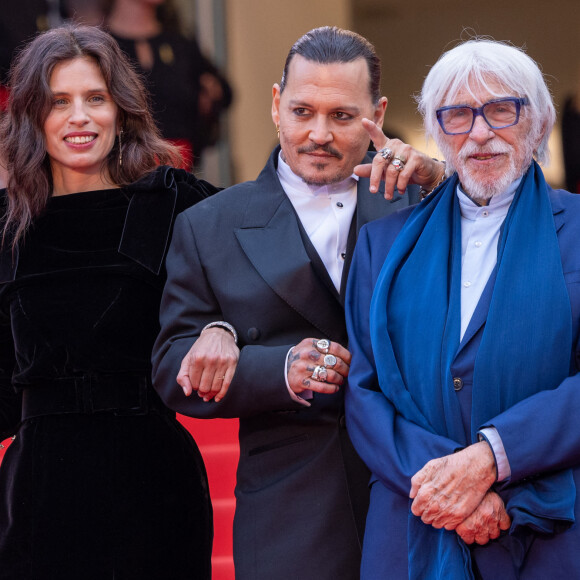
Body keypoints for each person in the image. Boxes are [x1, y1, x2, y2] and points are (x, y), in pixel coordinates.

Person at [152, 26, 444, 580]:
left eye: (342, 116)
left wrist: (444, 181)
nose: (318, 134)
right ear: (275, 105)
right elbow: (172, 368)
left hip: (419, 493)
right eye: (303, 111)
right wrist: (279, 368)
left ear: (377, 114)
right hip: (288, 509)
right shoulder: (208, 225)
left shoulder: (422, 202)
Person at [345, 38, 580, 579]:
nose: (480, 132)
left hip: (550, 526)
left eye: (501, 109)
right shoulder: (382, 244)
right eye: (457, 115)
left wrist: (492, 458)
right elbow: (364, 392)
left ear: (539, 123)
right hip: (413, 521)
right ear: (437, 132)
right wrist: (448, 487)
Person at [0, 25, 218, 580]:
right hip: (39, 497)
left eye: (95, 98)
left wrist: (225, 328)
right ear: (32, 116)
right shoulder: (7, 226)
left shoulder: (170, 202)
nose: (80, 117)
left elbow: (267, 257)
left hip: (153, 484)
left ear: (120, 110)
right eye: (58, 102)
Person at [106, 0, 233, 168]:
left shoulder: (180, 44)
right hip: (122, 170)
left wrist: (209, 96)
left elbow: (224, 93)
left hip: (179, 172)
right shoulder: (100, 46)